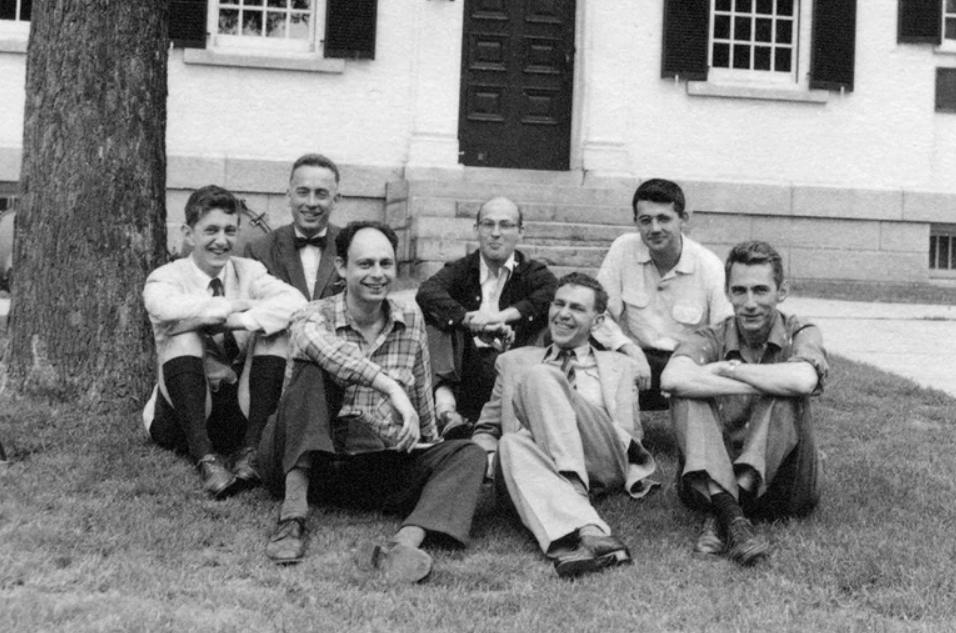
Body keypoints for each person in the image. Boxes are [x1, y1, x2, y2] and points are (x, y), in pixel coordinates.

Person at [258, 221, 486, 581]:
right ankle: (292, 518)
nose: (377, 274)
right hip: (304, 458)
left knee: (468, 452)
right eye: (365, 264)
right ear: (341, 267)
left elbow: (421, 393)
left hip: (369, 465)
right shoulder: (312, 315)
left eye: (385, 264)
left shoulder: (410, 318)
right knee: (313, 372)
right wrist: (390, 387)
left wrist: (430, 447)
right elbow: (327, 352)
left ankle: (401, 546)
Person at [472, 272, 658, 578]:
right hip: (535, 459)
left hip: (600, 455)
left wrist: (565, 406)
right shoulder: (513, 361)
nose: (563, 314)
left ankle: (573, 492)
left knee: (542, 377)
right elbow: (486, 430)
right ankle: (590, 533)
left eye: (577, 308)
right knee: (510, 442)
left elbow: (629, 434)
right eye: (559, 304)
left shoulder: (621, 366)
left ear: (598, 322)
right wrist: (493, 461)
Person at [661, 240, 827, 566]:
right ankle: (735, 519)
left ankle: (721, 511)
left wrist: (729, 370)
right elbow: (671, 378)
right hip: (711, 471)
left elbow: (802, 380)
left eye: (761, 290)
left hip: (784, 487)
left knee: (786, 392)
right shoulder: (712, 335)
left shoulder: (801, 331)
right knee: (685, 395)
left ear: (782, 291)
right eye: (739, 291)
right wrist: (761, 380)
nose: (750, 303)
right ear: (728, 293)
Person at [142, 185, 306, 498]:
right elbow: (164, 306)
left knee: (274, 334)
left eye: (229, 230)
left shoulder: (249, 271)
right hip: (182, 414)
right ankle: (205, 458)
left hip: (237, 411)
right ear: (189, 234)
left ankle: (251, 450)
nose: (221, 241)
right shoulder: (166, 276)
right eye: (211, 230)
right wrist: (229, 306)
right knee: (184, 337)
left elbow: (296, 303)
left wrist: (242, 320)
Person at [416, 196, 557, 432]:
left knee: (547, 323)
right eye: (488, 224)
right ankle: (446, 412)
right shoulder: (461, 269)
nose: (496, 233)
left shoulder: (533, 272)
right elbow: (427, 292)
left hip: (512, 361)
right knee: (437, 321)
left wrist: (500, 318)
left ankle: (517, 424)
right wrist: (468, 319)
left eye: (506, 225)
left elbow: (551, 292)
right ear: (476, 230)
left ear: (520, 232)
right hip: (464, 365)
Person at [594, 178, 732, 410]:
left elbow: (724, 330)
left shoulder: (709, 265)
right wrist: (628, 348)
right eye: (645, 220)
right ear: (636, 222)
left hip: (683, 364)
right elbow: (598, 313)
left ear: (683, 219)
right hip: (633, 357)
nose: (655, 228)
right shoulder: (623, 249)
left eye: (664, 219)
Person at [244, 153, 346, 300]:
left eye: (321, 194)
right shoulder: (259, 250)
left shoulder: (350, 246)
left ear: (335, 200)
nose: (311, 203)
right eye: (303, 193)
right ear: (289, 196)